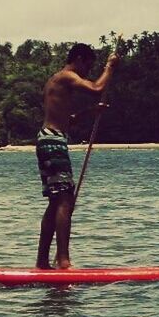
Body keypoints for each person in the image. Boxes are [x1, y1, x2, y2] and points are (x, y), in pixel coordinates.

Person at [35, 43, 118, 269]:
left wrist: (91, 113)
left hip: (51, 138)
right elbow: (96, 88)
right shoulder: (66, 76)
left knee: (56, 202)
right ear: (79, 59)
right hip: (52, 140)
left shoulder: (57, 82)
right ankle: (63, 261)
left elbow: (67, 120)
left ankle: (42, 262)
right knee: (64, 200)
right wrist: (109, 67)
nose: (88, 72)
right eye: (88, 66)